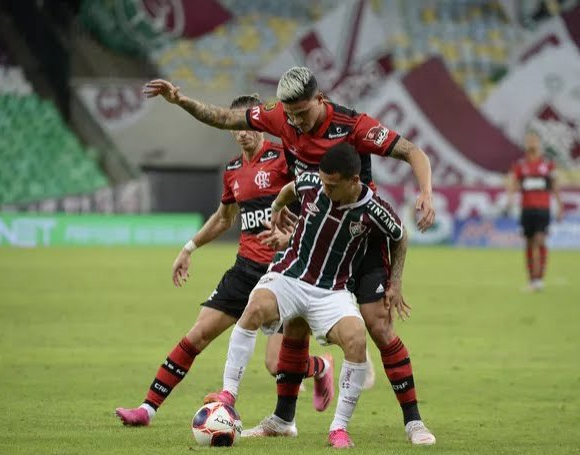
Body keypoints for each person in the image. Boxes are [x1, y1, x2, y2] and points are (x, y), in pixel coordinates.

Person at [143, 66, 436, 444]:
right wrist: (180, 100)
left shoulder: (354, 124)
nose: (295, 121)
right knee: (293, 320)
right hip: (311, 234)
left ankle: (413, 421)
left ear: (320, 99)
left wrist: (425, 192)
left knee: (378, 326)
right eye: (290, 114)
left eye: (302, 112)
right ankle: (283, 419)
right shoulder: (280, 116)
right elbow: (224, 118)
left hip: (357, 233)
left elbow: (413, 151)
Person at [115, 94, 334, 427]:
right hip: (245, 269)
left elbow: (316, 196)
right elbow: (223, 217)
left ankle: (319, 367)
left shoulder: (284, 156)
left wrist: (294, 234)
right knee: (197, 334)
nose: (242, 132)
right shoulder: (233, 170)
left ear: (258, 124)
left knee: (276, 364)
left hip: (283, 272)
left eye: (247, 124)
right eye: (236, 126)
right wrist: (189, 247)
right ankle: (147, 409)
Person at [203, 144, 409, 448]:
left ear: (354, 181)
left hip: (332, 291)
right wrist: (276, 210)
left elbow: (401, 236)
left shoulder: (374, 209)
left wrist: (396, 281)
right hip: (290, 274)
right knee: (255, 307)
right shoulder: (313, 182)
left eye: (332, 184)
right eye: (323, 181)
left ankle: (338, 429)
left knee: (357, 339)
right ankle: (228, 394)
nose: (324, 188)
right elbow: (289, 189)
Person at [506, 131, 563, 292]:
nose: (531, 143)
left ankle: (539, 279)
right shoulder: (520, 165)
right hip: (527, 209)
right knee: (529, 243)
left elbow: (555, 186)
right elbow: (513, 184)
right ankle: (532, 280)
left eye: (534, 141)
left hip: (543, 209)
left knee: (540, 240)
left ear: (539, 143)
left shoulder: (548, 165)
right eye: (529, 141)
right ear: (525, 144)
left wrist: (560, 205)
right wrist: (510, 199)